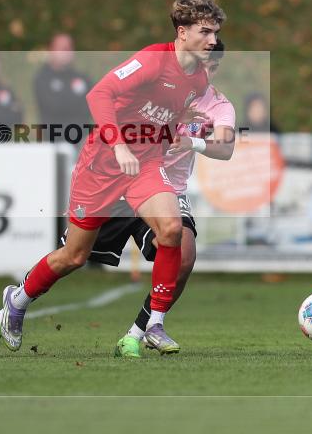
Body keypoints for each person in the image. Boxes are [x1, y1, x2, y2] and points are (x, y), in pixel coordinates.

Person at [0, 0, 224, 358]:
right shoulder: (152, 60)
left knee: (172, 230)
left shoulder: (198, 80)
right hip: (103, 165)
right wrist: (119, 145)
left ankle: (154, 323)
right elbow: (99, 94)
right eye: (205, 31)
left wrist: (177, 124)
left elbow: (160, 113)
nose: (213, 40)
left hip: (144, 165)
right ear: (182, 32)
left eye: (215, 32)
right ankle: (18, 299)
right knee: (74, 256)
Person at [100, 38, 235, 357]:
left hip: (169, 190)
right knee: (71, 257)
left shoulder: (219, 105)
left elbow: (226, 147)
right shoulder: (161, 88)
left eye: (212, 66)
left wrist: (193, 143)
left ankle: (139, 332)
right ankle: (18, 301)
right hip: (125, 182)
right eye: (201, 63)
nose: (206, 72)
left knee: (185, 256)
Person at [33, 33, 92, 142]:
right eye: (62, 48)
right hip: (54, 141)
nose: (67, 51)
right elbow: (54, 107)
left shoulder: (83, 78)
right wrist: (76, 100)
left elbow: (91, 106)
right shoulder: (42, 78)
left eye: (69, 47)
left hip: (83, 141)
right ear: (51, 50)